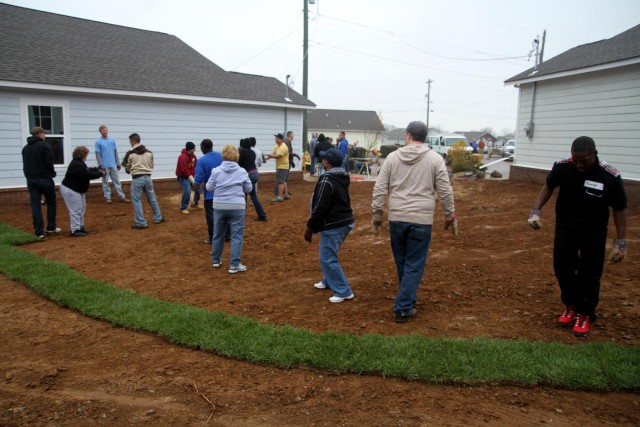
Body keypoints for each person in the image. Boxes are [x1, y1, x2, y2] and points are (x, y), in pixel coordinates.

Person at [528, 136, 627, 337]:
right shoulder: (563, 167)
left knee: (589, 273)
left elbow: (619, 208)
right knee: (562, 267)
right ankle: (571, 305)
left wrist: (621, 242)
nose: (580, 165)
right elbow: (549, 186)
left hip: (594, 232)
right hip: (566, 227)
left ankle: (585, 313)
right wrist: (535, 210)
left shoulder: (609, 175)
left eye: (585, 160)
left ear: (594, 155)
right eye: (576, 160)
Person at [371, 121, 457, 323]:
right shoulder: (435, 159)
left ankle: (407, 298)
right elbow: (445, 189)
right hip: (421, 219)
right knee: (414, 263)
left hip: (397, 218)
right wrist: (450, 213)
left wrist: (377, 213)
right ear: (424, 137)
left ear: (408, 135)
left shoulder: (392, 158)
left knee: (402, 261)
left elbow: (380, 187)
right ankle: (403, 307)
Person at [305, 148, 356, 303]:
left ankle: (343, 291)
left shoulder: (327, 179)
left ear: (327, 162)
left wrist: (310, 227)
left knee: (327, 257)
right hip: (344, 221)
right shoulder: (340, 176)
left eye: (324, 159)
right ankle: (328, 280)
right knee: (330, 253)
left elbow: (321, 206)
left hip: (334, 223)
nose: (322, 160)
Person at [206, 144, 252, 273]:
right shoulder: (242, 171)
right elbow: (249, 189)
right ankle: (234, 264)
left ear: (223, 155)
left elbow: (209, 188)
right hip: (237, 206)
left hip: (219, 205)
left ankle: (216, 260)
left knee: (218, 234)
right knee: (236, 236)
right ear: (236, 156)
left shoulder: (216, 171)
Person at [22, 126, 61, 238]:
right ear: (39, 134)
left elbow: (25, 165)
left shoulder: (25, 148)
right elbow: (49, 162)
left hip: (31, 180)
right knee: (51, 202)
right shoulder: (45, 146)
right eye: (43, 133)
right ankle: (51, 227)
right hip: (44, 179)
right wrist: (52, 173)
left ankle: (39, 232)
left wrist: (29, 177)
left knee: (35, 205)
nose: (45, 135)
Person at [59, 146, 105, 237]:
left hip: (77, 189)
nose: (86, 156)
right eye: (86, 154)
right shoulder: (76, 164)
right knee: (76, 210)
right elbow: (87, 174)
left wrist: (97, 169)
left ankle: (80, 227)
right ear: (82, 155)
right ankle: (75, 230)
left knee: (81, 208)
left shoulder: (79, 163)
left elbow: (86, 170)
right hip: (71, 189)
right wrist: (101, 173)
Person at [123, 133, 164, 229]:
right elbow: (152, 165)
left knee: (137, 200)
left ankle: (141, 222)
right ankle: (158, 217)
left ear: (133, 141)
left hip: (137, 178)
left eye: (130, 141)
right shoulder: (149, 152)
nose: (130, 143)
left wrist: (130, 169)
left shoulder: (130, 153)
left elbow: (127, 168)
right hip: (148, 178)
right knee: (152, 198)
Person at [193, 139, 223, 244]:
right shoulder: (221, 156)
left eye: (201, 147)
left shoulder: (201, 160)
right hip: (223, 193)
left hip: (210, 194)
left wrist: (194, 189)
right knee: (223, 215)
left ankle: (213, 237)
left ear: (204, 147)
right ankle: (227, 235)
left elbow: (199, 177)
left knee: (211, 216)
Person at [95, 125, 129, 204]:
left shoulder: (112, 140)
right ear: (100, 132)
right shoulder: (98, 142)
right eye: (103, 130)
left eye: (106, 130)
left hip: (113, 164)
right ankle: (108, 197)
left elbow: (115, 152)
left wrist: (118, 163)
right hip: (104, 166)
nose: (105, 132)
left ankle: (122, 196)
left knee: (117, 181)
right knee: (105, 182)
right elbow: (98, 154)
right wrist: (101, 166)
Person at [238, 138, 267, 221]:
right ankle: (262, 215)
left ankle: (241, 214)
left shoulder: (242, 152)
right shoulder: (252, 152)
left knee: (243, 195)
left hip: (248, 175)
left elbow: (239, 164)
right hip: (254, 173)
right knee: (253, 195)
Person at [175, 141, 201, 214]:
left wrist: (196, 175)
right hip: (183, 177)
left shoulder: (193, 156)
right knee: (187, 191)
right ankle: (183, 207)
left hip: (192, 176)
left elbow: (196, 165)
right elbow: (184, 169)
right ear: (189, 149)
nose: (194, 150)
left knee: (198, 190)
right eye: (193, 149)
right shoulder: (182, 157)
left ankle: (195, 204)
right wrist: (191, 178)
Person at [264, 133, 290, 202]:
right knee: (283, 181)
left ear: (281, 139)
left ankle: (280, 197)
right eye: (275, 139)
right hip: (281, 166)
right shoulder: (277, 147)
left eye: (277, 139)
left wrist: (267, 154)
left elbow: (277, 156)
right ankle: (286, 194)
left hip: (282, 166)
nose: (276, 140)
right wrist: (264, 159)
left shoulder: (283, 147)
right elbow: (272, 155)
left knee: (280, 182)